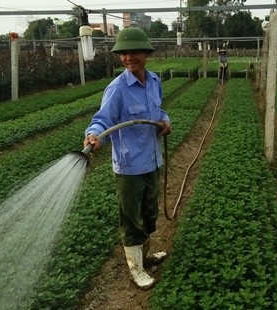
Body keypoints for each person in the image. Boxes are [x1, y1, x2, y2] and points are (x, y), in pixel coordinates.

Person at [83, 27, 171, 290]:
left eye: (134, 52)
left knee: (149, 212)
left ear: (146, 53)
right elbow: (102, 120)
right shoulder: (117, 88)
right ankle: (136, 270)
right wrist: (93, 135)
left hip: (152, 160)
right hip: (130, 166)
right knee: (131, 218)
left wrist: (165, 121)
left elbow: (160, 111)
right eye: (123, 53)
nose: (128, 57)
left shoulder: (154, 81)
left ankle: (145, 256)